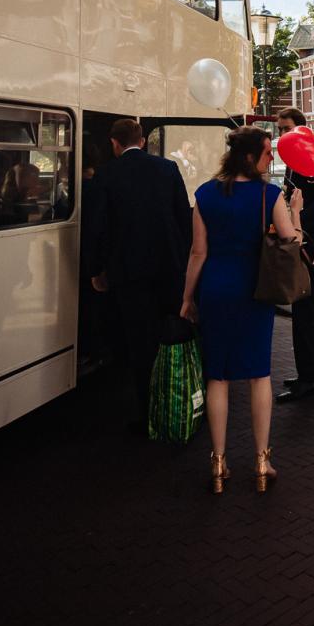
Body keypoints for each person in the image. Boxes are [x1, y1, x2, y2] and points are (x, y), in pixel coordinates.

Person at [180, 127, 297, 492]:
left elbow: (198, 253)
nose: (271, 158)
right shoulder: (270, 195)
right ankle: (261, 460)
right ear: (249, 157)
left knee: (218, 375)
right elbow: (291, 241)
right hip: (254, 290)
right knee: (259, 373)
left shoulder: (204, 195)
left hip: (215, 289)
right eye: (266, 152)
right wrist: (296, 212)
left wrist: (187, 298)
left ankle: (218, 462)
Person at [82, 118, 193, 433]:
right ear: (142, 141)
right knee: (170, 336)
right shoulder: (168, 169)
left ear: (114, 144)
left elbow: (97, 229)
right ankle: (178, 400)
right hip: (168, 269)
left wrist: (96, 271)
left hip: (128, 274)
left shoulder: (106, 175)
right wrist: (183, 262)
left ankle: (147, 413)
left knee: (138, 344)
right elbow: (182, 218)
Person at [274, 107, 314, 402]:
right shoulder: (291, 160)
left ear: (300, 128)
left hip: (313, 240)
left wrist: (295, 220)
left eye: (285, 128)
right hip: (305, 237)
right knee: (306, 306)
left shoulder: (311, 157)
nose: (280, 134)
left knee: (303, 304)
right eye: (279, 129)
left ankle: (310, 377)